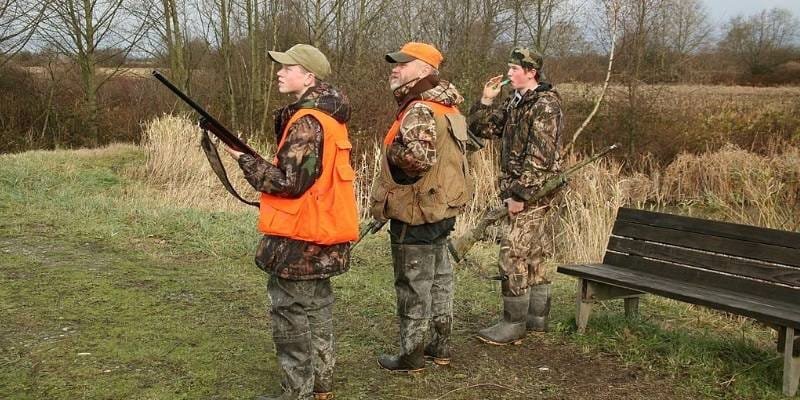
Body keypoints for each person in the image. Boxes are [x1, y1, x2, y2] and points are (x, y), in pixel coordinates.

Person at [224, 44, 358, 400]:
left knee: (290, 316)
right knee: (316, 310)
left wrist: (243, 159)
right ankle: (320, 387)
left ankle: (296, 392)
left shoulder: (307, 123)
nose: (279, 73)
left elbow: (288, 182)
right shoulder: (329, 118)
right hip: (322, 232)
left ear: (309, 77)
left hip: (300, 238)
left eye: (288, 67)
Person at [370, 42, 473, 372]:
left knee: (412, 285)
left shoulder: (419, 109)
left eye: (404, 64)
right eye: (395, 63)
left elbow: (418, 159)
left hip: (416, 210)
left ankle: (411, 355)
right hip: (443, 208)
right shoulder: (449, 107)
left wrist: (392, 151)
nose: (395, 68)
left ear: (426, 70)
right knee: (441, 278)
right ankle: (441, 346)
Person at [467, 47, 564, 345]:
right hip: (521, 188)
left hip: (535, 191)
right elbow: (483, 128)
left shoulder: (545, 105)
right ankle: (536, 319)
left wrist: (519, 195)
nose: (508, 73)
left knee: (511, 253)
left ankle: (513, 324)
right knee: (532, 252)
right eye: (509, 67)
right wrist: (486, 100)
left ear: (531, 72)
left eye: (514, 69)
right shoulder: (516, 100)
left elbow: (541, 157)